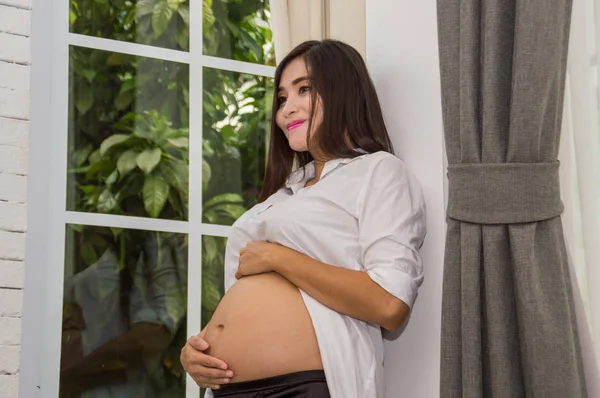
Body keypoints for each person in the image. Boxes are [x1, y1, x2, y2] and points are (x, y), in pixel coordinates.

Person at [180, 39, 427, 398]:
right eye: (282, 99)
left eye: (304, 90)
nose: (286, 110)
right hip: (230, 389)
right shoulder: (281, 196)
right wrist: (199, 350)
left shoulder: (378, 171)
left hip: (302, 386)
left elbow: (389, 304)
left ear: (344, 91)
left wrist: (278, 258)